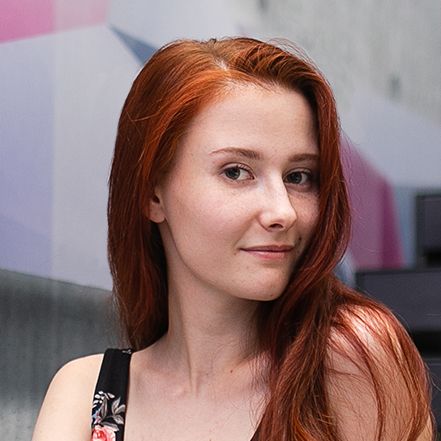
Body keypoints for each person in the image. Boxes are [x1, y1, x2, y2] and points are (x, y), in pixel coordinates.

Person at [32, 37, 434, 441]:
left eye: (299, 177)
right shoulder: (86, 394)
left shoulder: (348, 359)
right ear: (153, 194)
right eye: (236, 172)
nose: (283, 211)